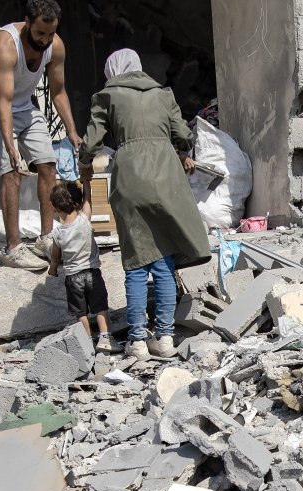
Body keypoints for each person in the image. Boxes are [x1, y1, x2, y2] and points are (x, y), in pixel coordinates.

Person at [79, 49, 209, 360]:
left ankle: (137, 340)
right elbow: (183, 134)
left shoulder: (107, 96)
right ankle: (165, 338)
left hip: (130, 180)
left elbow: (91, 142)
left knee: (136, 263)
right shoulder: (163, 94)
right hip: (166, 177)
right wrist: (178, 149)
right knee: (163, 262)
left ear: (114, 70)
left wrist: (84, 162)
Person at [0, 0, 81, 271]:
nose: (45, 39)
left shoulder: (56, 46)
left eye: (51, 33)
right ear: (27, 22)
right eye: (40, 32)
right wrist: (10, 146)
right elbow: (2, 100)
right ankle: (13, 248)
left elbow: (59, 91)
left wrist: (72, 130)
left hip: (24, 105)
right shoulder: (6, 44)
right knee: (11, 171)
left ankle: (45, 237)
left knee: (48, 163)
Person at [46, 181, 112, 350]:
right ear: (77, 202)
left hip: (73, 277)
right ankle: (105, 338)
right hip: (92, 273)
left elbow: (55, 255)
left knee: (80, 313)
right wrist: (87, 183)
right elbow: (88, 201)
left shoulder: (58, 232)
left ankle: (87, 341)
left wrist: (52, 269)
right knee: (100, 307)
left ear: (55, 208)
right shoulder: (84, 219)